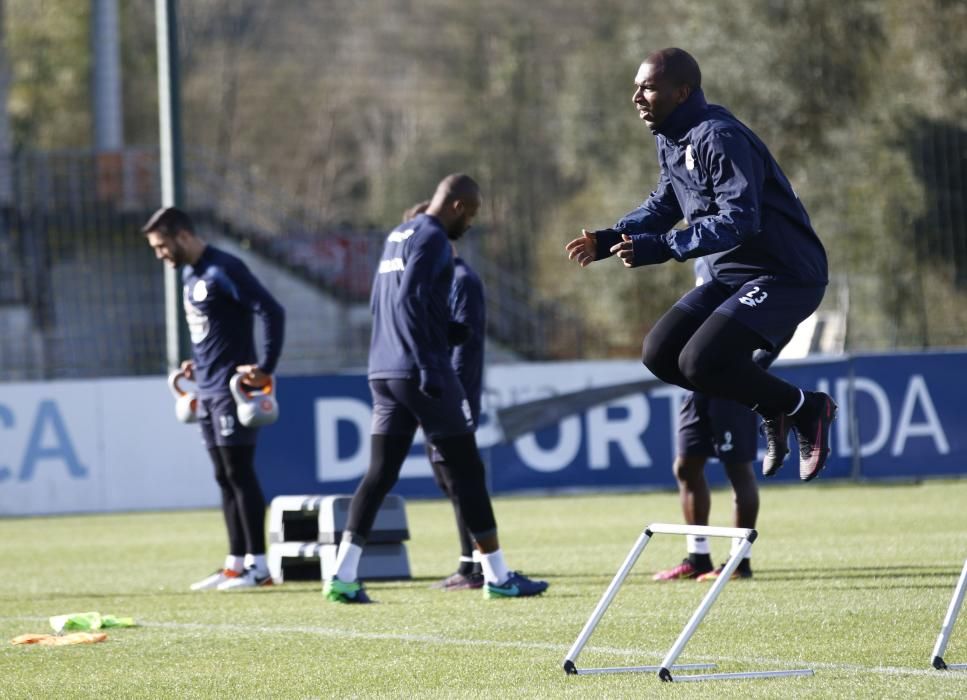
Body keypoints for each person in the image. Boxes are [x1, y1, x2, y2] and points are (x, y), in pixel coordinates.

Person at [565, 47, 837, 482]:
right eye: (635, 87)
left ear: (682, 91)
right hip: (731, 275)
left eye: (648, 87)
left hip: (786, 275)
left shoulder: (718, 136)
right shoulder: (671, 138)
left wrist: (660, 247)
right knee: (659, 354)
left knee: (700, 360)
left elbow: (739, 220)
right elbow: (665, 203)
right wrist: (609, 238)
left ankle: (807, 409)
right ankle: (779, 406)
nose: (636, 96)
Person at [323, 174, 547, 603]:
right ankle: (498, 577)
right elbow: (411, 298)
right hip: (420, 372)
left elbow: (383, 301)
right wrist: (430, 363)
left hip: (383, 370)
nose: (471, 223)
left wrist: (446, 331)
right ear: (459, 205)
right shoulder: (432, 237)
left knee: (380, 473)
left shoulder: (398, 234)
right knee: (468, 471)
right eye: (474, 213)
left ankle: (343, 575)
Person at [142, 206, 285, 590]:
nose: (160, 255)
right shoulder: (191, 275)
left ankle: (259, 565)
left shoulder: (225, 268)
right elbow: (215, 330)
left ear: (183, 236)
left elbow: (272, 310)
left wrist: (266, 367)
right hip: (206, 390)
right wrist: (198, 364)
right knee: (223, 476)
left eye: (161, 246)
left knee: (240, 473)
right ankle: (235, 562)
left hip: (232, 392)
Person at [653, 259, 788, 582]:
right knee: (686, 467)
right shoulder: (704, 254)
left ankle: (739, 563)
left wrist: (754, 368)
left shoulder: (747, 249)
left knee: (737, 469)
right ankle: (698, 557)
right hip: (698, 382)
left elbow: (785, 314)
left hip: (730, 381)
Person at [403, 199, 487, 591]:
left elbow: (463, 344)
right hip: (439, 390)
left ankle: (474, 565)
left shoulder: (460, 280)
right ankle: (470, 561)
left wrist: (446, 393)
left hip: (454, 392)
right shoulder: (439, 280)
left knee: (458, 479)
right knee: (448, 480)